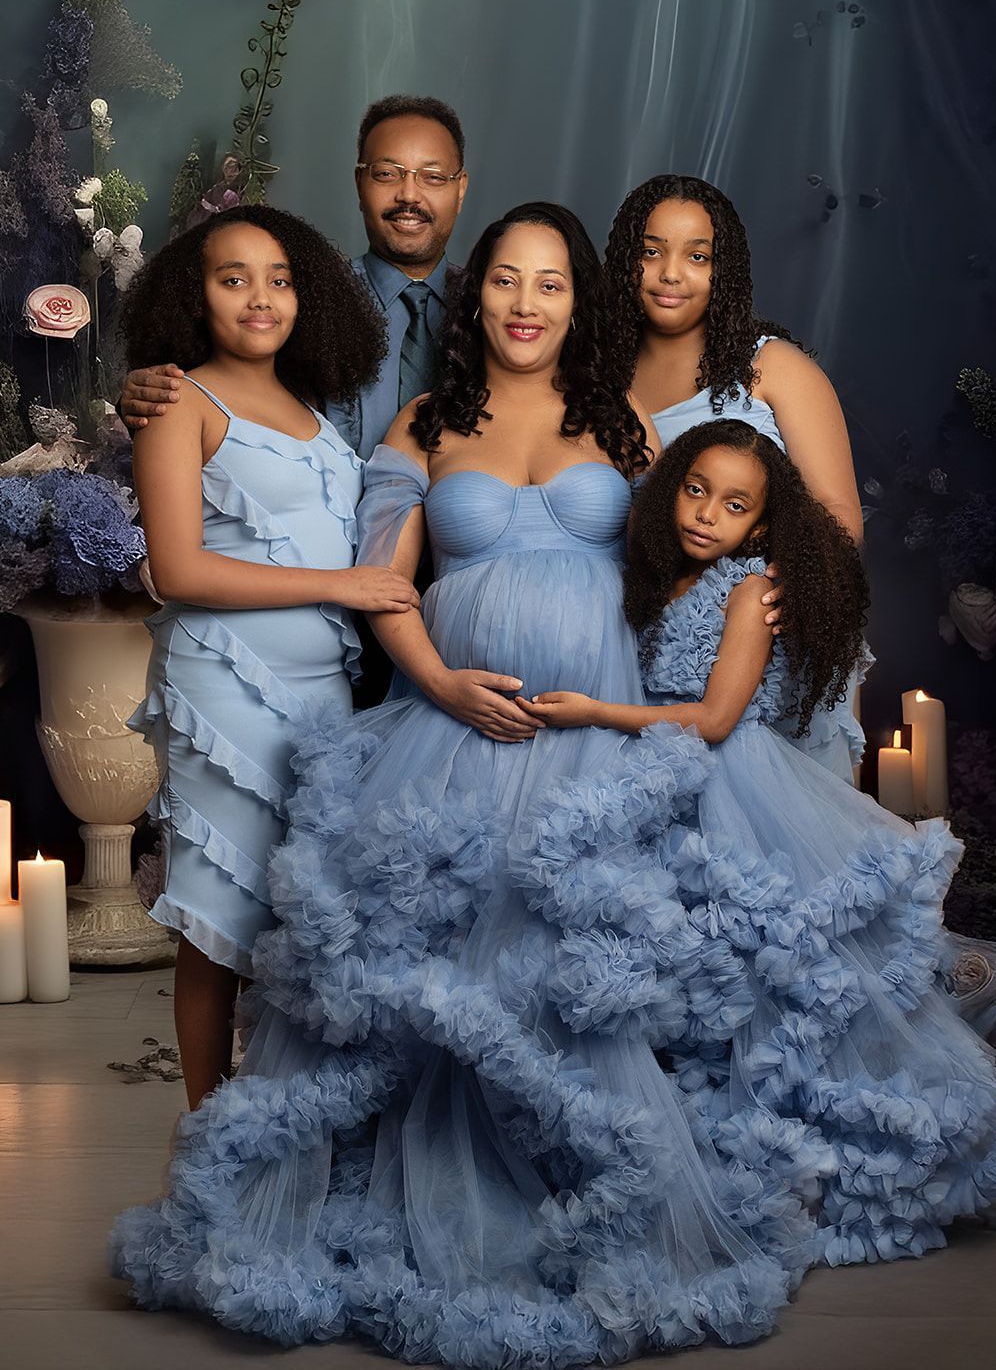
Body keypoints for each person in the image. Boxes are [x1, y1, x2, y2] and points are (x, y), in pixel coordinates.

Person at [112, 204, 807, 1360]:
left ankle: (581, 1192)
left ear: (578, 305)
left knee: (565, 970)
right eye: (503, 281)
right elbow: (384, 584)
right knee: (441, 971)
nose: (525, 303)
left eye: (550, 284)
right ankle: (414, 1194)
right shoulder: (423, 425)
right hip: (451, 724)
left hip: (585, 734)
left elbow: (693, 543)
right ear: (473, 296)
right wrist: (437, 684)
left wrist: (726, 649)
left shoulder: (625, 428)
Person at [523, 419, 996, 1264]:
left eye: (733, 505)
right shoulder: (655, 581)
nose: (705, 514)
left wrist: (591, 713)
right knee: (670, 984)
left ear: (761, 527)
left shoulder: (747, 591)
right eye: (694, 490)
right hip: (648, 781)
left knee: (761, 980)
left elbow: (715, 717)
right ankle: (678, 1167)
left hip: (731, 787)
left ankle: (804, 1164)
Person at [120, 206, 418, 1108]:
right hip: (224, 685)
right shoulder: (179, 400)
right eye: (233, 277)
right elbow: (176, 569)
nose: (261, 297)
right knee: (218, 918)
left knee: (303, 914)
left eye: (281, 277)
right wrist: (343, 588)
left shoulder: (313, 409)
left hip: (323, 693)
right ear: (194, 297)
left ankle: (287, 1117)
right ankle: (211, 1130)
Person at [606, 174, 865, 778]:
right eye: (652, 251)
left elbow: (839, 514)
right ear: (625, 261)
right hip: (653, 650)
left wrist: (784, 597)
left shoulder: (773, 368)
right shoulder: (601, 379)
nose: (672, 273)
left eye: (698, 256)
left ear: (726, 272)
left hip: (767, 646)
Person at [119, 94, 468, 461]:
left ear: (460, 189)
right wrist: (143, 396)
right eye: (386, 174)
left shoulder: (497, 309)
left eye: (432, 177)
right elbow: (200, 394)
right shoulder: (294, 299)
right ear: (359, 183)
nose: (409, 195)